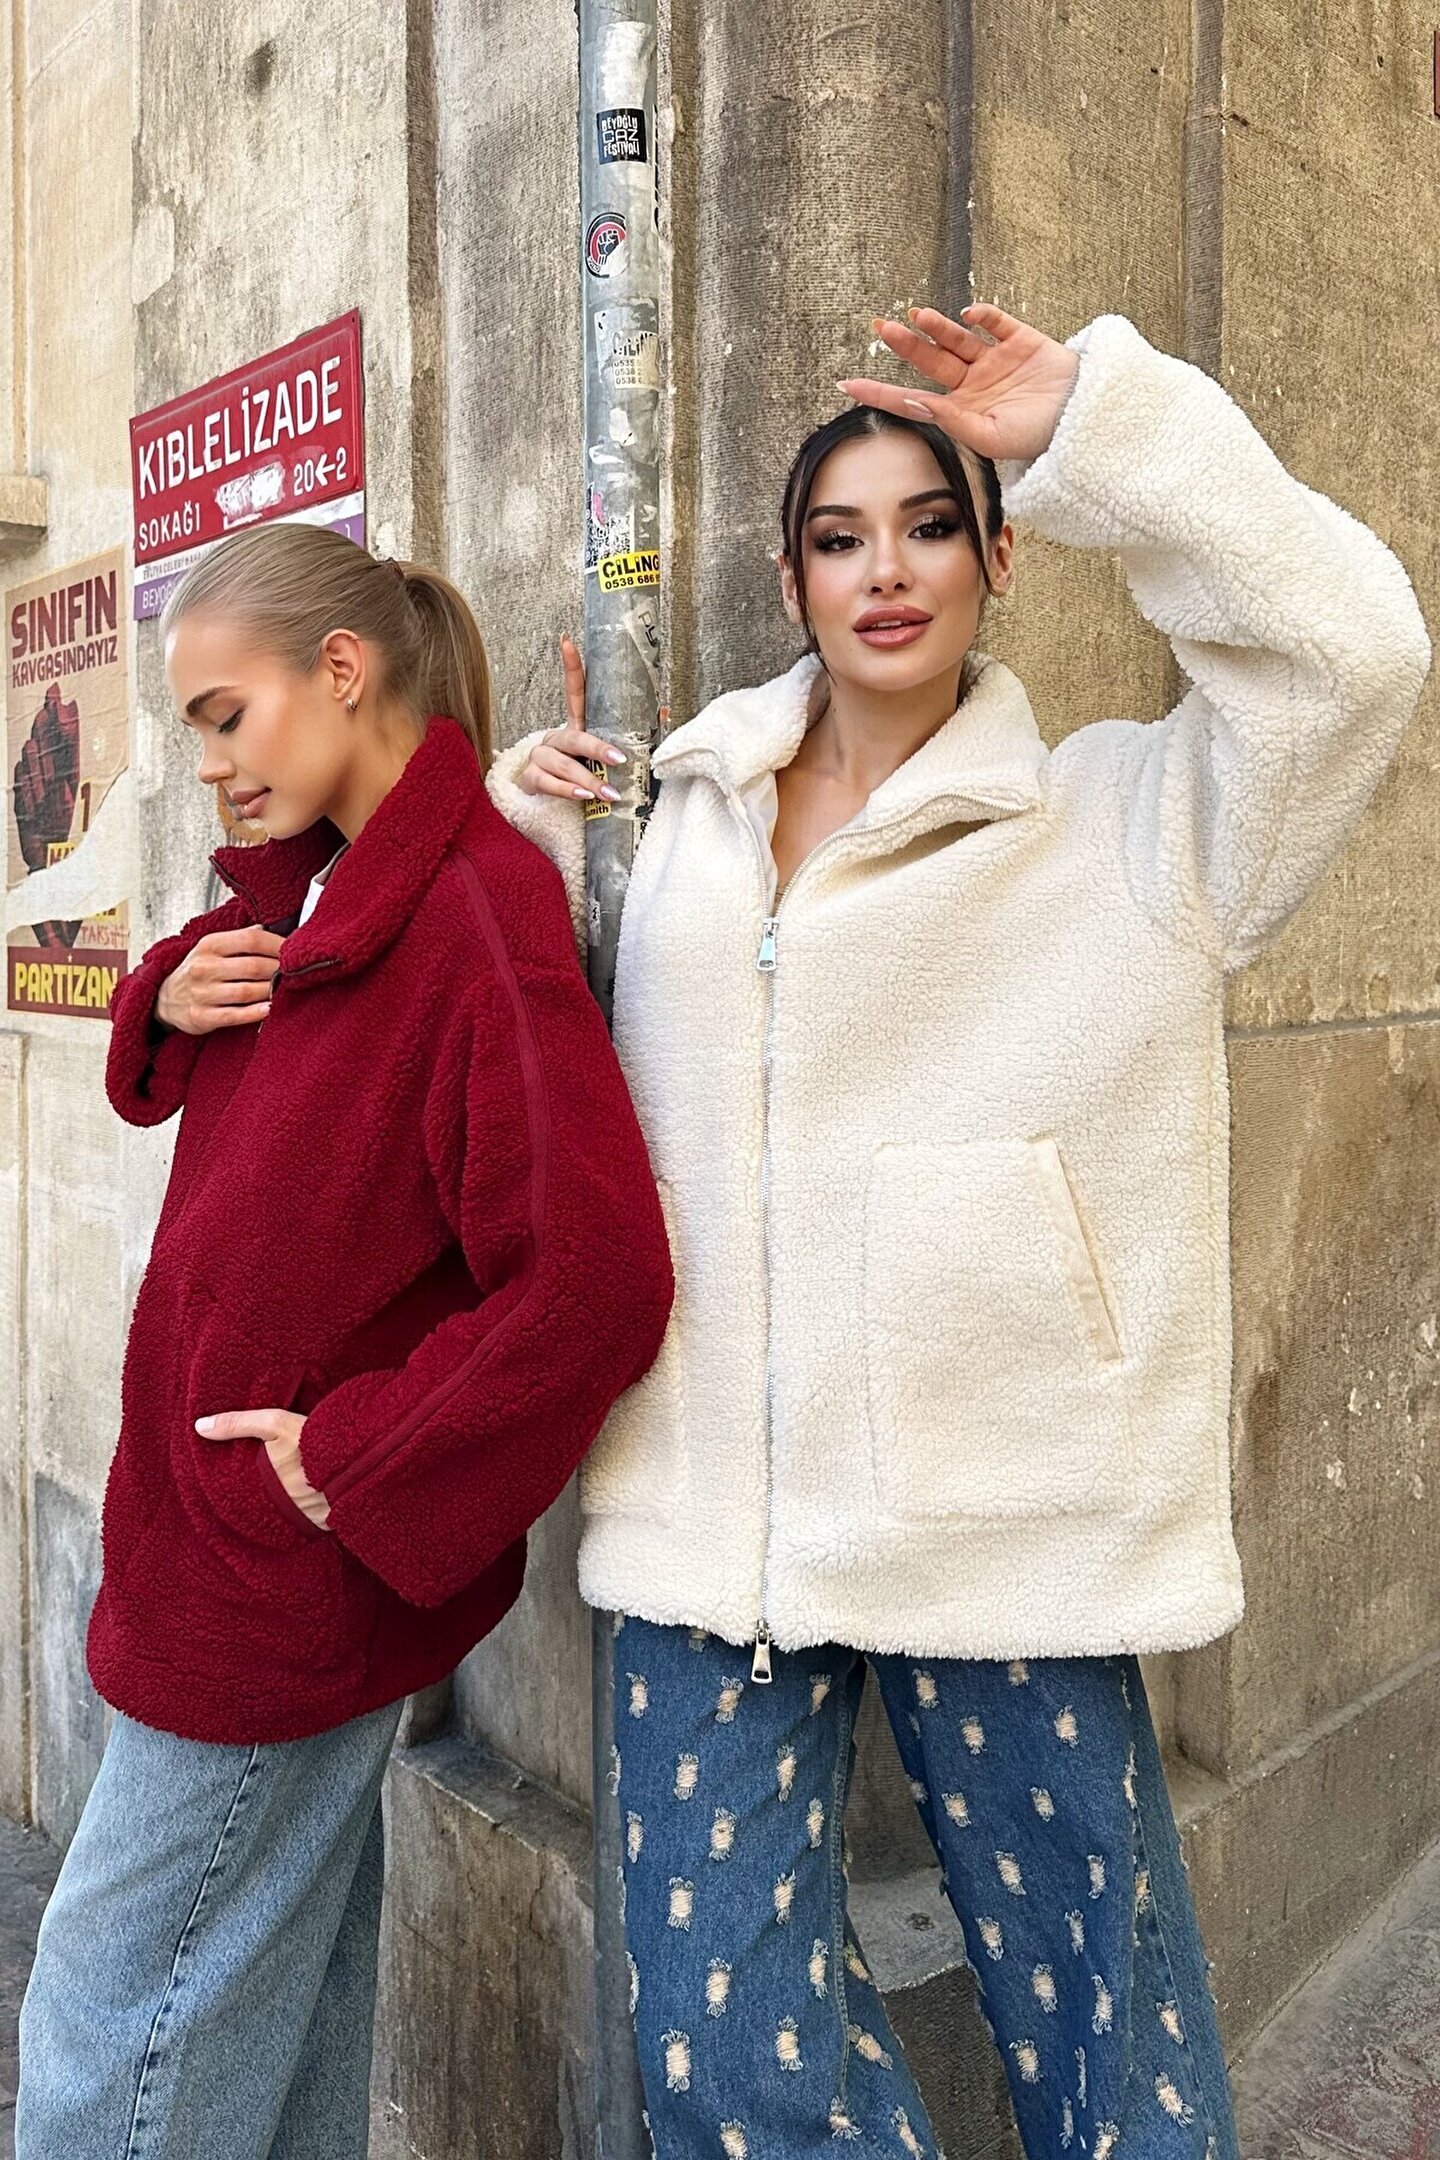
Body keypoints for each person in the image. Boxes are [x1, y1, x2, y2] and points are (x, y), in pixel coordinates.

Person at [490, 303, 1430, 2157]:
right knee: (723, 2066)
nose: (887, 570)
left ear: (1003, 557)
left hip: (1006, 1513)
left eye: (932, 525)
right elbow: (546, 1088)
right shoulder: (677, 828)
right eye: (840, 537)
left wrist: (1104, 429)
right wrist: (526, 856)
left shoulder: (1136, 820)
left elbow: (1355, 654)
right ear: (791, 581)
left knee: (1112, 2048)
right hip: (706, 1524)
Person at [16, 524, 673, 2159]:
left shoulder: (473, 914)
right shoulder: (321, 894)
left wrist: (357, 1456)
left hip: (275, 1586)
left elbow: (593, 1279)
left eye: (223, 716)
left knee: (106, 2028)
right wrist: (160, 992)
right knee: (283, 2027)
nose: (208, 764)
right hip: (217, 1563)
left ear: (340, 670)